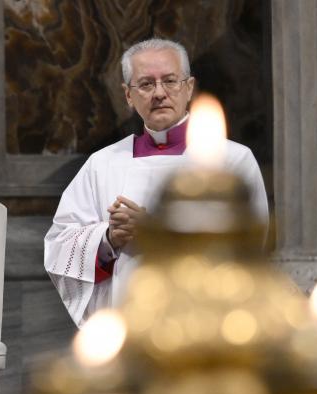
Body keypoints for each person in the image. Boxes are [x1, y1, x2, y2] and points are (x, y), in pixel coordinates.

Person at [44, 38, 269, 326]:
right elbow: (59, 247)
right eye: (146, 84)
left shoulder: (233, 160)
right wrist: (109, 239)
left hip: (204, 326)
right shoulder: (102, 164)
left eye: (170, 81)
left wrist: (155, 233)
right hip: (128, 325)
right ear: (128, 95)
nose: (159, 93)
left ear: (189, 88)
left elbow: (249, 248)